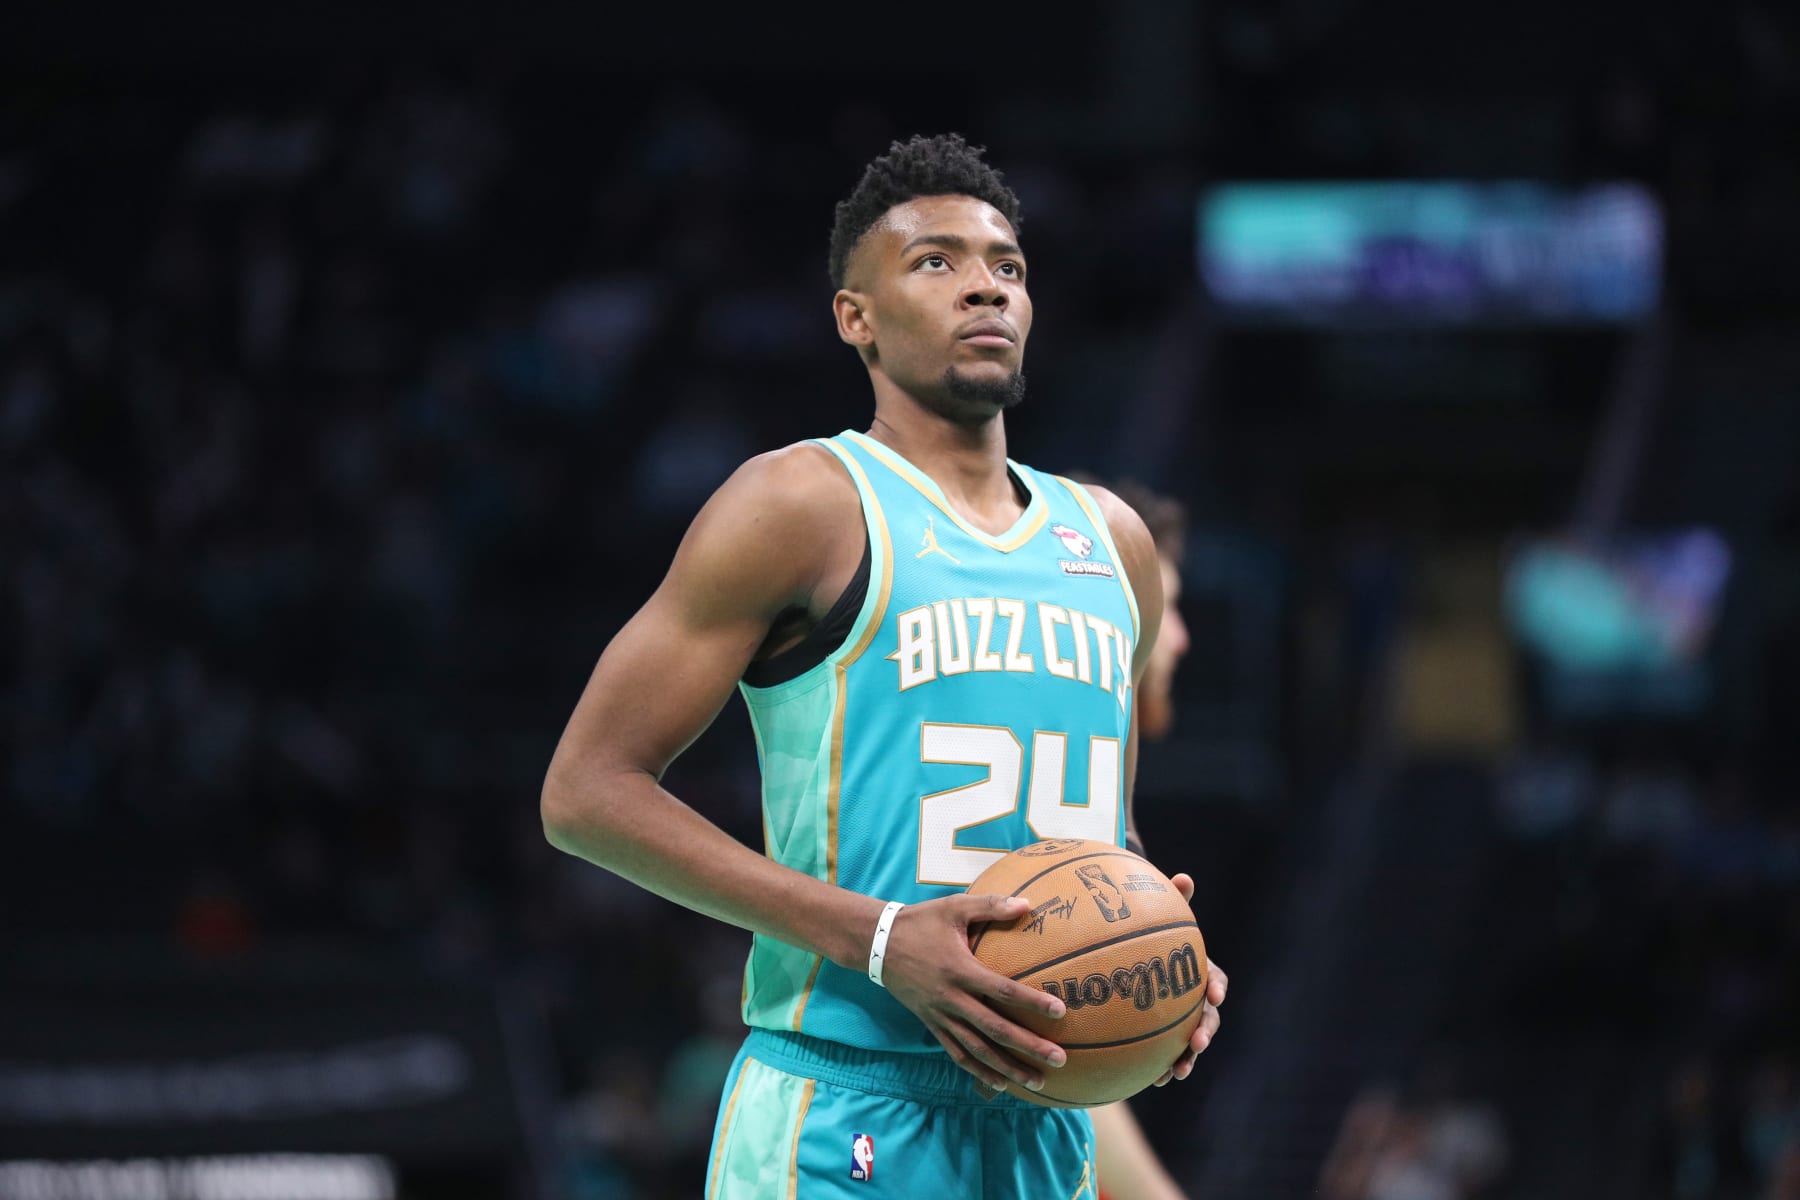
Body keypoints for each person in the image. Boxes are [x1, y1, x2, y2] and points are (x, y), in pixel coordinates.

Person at [542, 133, 1226, 1197]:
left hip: (1044, 1128)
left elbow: (1107, 833)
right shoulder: (801, 504)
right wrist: (882, 939)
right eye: (936, 261)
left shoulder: (1115, 542)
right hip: (842, 1110)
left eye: (1007, 266)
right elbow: (584, 794)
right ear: (854, 318)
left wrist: (1154, 945)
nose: (986, 287)